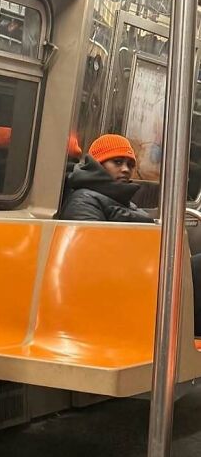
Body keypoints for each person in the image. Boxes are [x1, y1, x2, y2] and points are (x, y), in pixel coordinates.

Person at [60, 133, 201, 334]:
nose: (125, 169)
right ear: (98, 164)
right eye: (117, 162)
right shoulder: (84, 201)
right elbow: (91, 262)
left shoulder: (123, 200)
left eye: (130, 164)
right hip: (129, 287)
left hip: (147, 277)